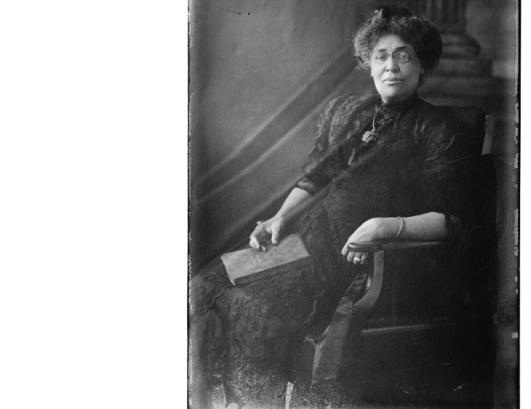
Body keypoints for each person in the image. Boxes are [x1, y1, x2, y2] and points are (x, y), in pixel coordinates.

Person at [189, 5, 483, 408]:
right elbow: (315, 177)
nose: (391, 66)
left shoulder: (438, 128)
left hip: (352, 263)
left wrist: (381, 226)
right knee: (205, 284)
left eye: (403, 55)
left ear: (422, 65)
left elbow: (452, 220)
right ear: (368, 63)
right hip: (305, 242)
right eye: (381, 55)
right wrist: (278, 217)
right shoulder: (350, 112)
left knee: (255, 309)